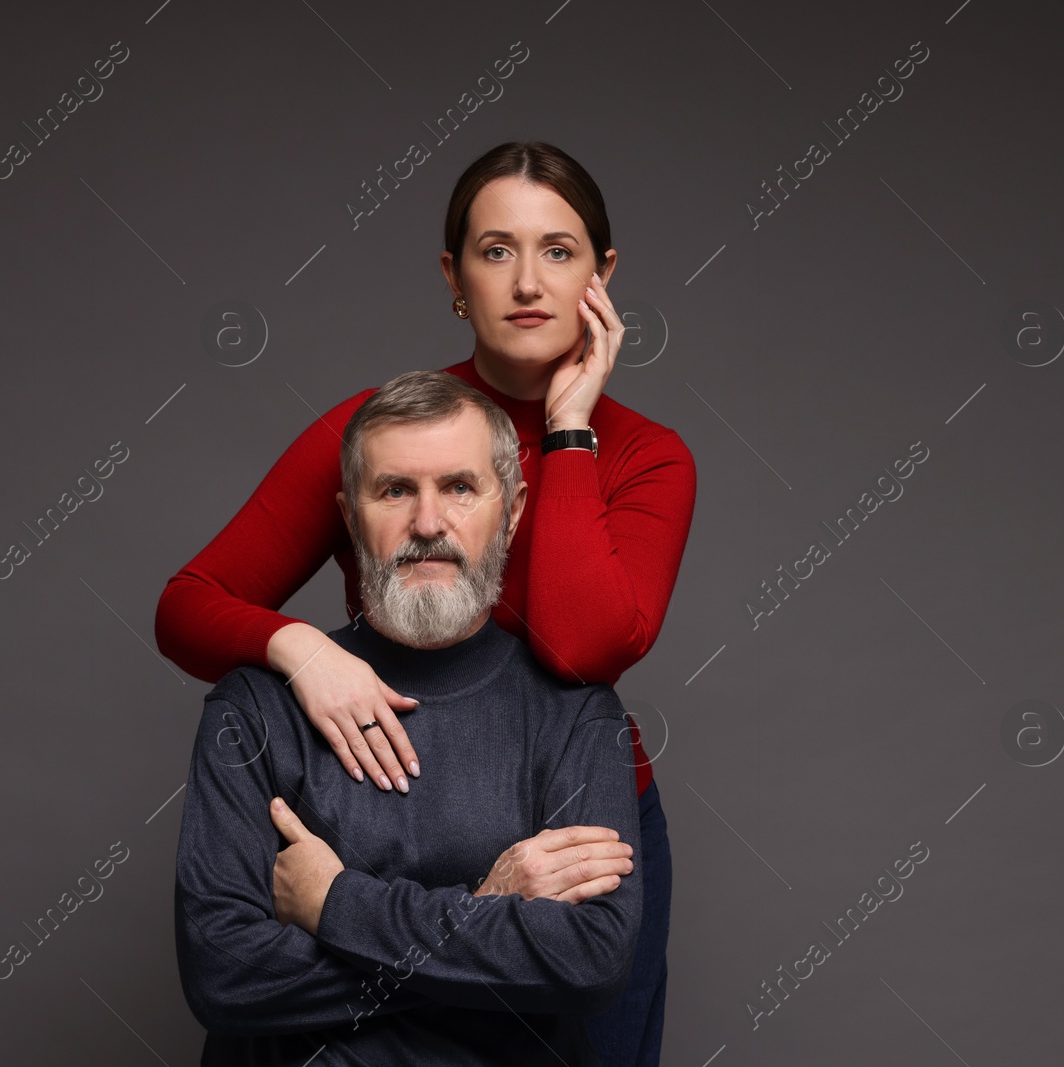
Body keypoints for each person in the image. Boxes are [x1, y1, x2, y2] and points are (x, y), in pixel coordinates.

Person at [157, 141, 696, 1066]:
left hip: (568, 812)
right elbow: (188, 605)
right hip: (383, 805)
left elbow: (579, 650)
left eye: (559, 251)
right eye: (495, 250)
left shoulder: (647, 455)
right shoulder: (381, 433)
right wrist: (303, 649)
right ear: (454, 276)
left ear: (604, 276)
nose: (528, 282)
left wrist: (570, 430)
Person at [175, 371, 641, 1065]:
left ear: (512, 511)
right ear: (351, 512)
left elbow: (590, 960)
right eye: (394, 490)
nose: (427, 524)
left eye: (458, 487)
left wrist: (335, 905)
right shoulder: (256, 708)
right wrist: (487, 908)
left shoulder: (579, 715)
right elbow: (226, 976)